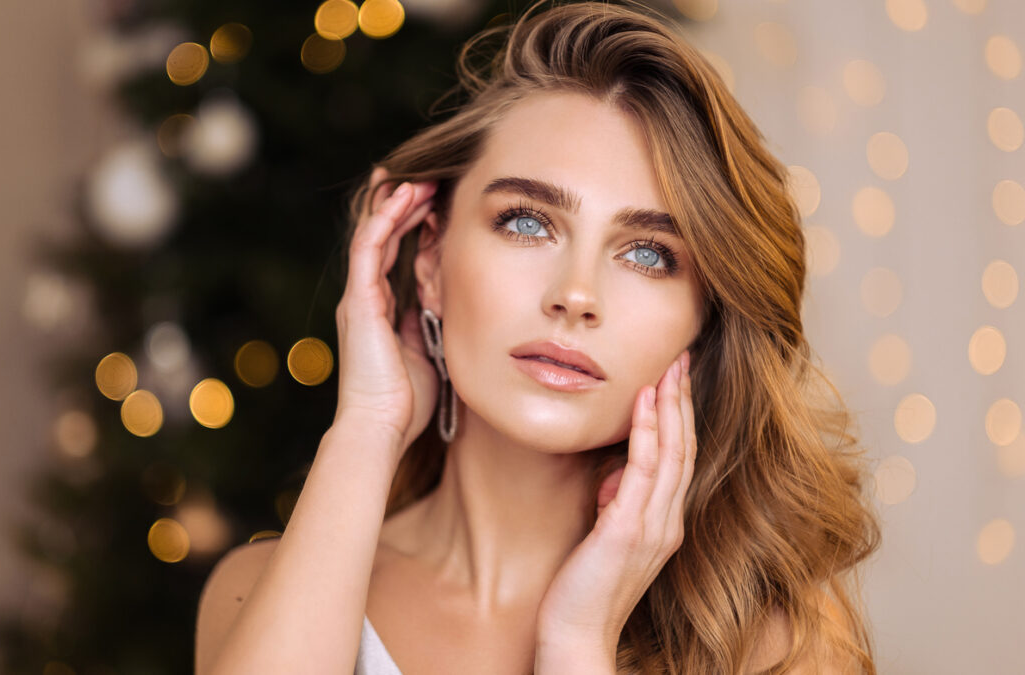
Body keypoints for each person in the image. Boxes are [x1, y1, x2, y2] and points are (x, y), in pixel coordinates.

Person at [195, 1, 882, 673]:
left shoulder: (783, 644)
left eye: (647, 254)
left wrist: (578, 644)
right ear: (428, 259)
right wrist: (368, 424)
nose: (575, 296)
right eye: (527, 222)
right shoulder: (255, 588)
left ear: (702, 324)